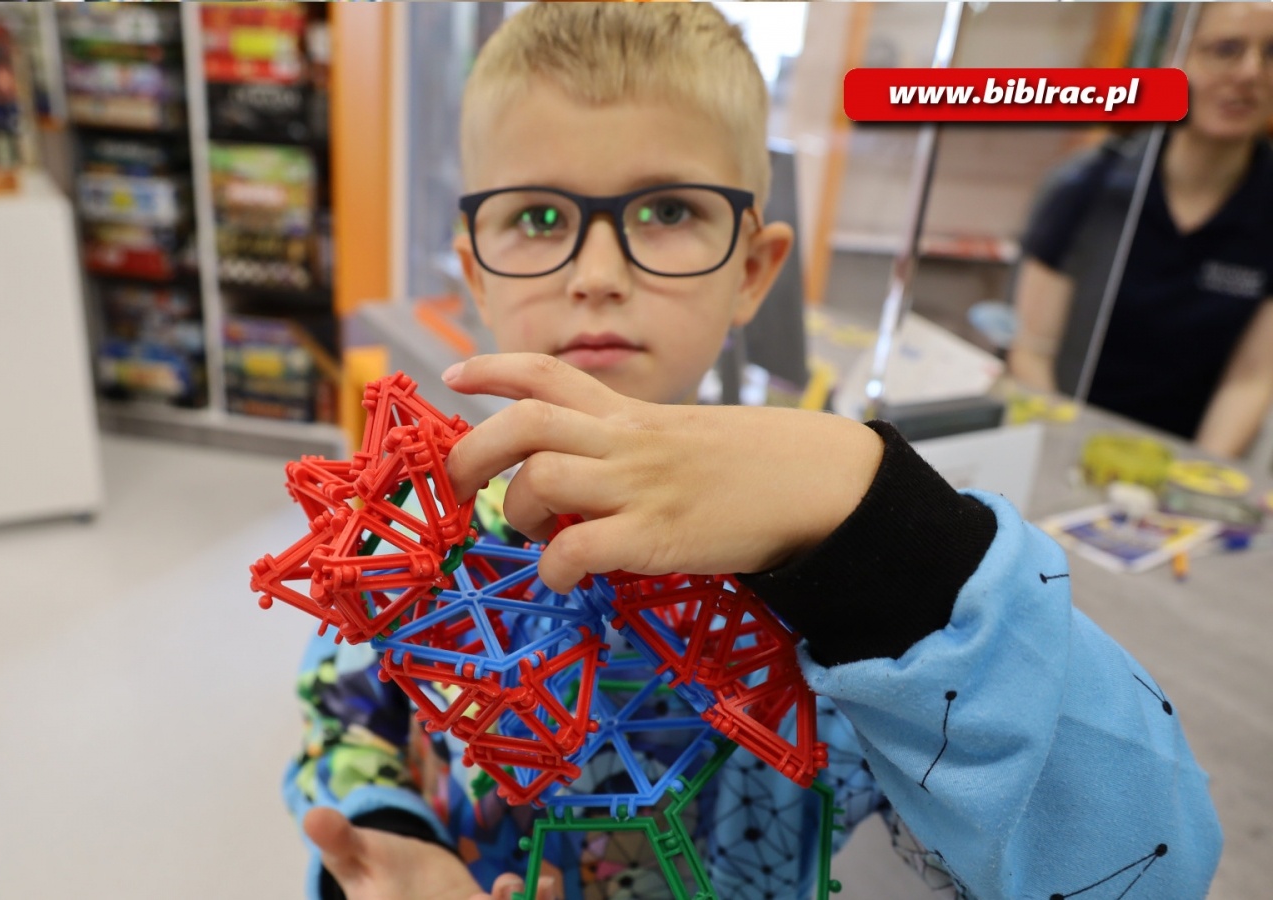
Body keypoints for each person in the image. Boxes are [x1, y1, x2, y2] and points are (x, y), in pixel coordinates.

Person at [285, 6, 1222, 899]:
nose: (598, 276)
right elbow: (346, 710)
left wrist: (880, 527)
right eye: (536, 219)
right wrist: (392, 832)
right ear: (475, 267)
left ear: (754, 270)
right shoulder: (423, 533)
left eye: (667, 212)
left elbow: (1148, 864)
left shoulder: (810, 563)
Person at [1009, 2, 1273, 459]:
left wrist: (1194, 483)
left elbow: (1250, 380)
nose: (1250, 72)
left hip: (1178, 462)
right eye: (1225, 49)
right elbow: (1031, 353)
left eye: (1272, 53)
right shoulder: (1085, 187)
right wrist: (1069, 458)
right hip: (1061, 443)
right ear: (1175, 59)